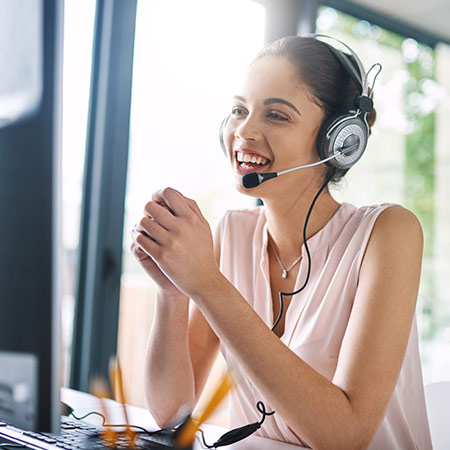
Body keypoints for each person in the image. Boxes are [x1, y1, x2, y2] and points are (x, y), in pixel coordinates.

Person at [130, 35, 432, 449]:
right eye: (239, 110)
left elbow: (346, 436)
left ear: (338, 140)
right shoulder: (232, 235)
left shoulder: (388, 233)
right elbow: (170, 413)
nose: (244, 131)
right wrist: (172, 290)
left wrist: (207, 284)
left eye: (276, 115)